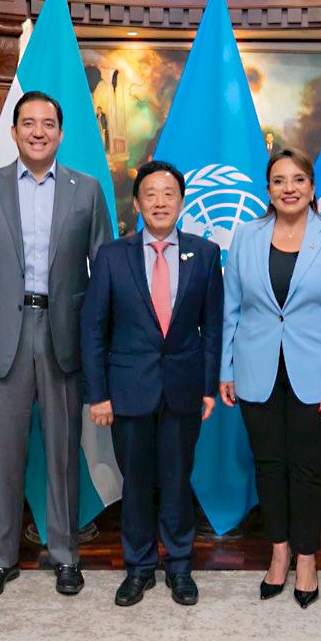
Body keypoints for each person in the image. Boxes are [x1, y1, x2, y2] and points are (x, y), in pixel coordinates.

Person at [0, 91, 112, 599]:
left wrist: (98, 345)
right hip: (3, 338)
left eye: (48, 123)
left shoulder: (86, 190)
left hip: (64, 334)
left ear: (61, 133)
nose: (38, 131)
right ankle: (0, 560)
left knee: (64, 453)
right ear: (15, 131)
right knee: (3, 452)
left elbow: (104, 275)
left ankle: (64, 555)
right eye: (28, 123)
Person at [220, 149, 321, 608]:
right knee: (268, 465)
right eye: (279, 181)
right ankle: (277, 553)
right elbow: (231, 309)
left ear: (313, 187)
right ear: (268, 190)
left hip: (316, 374)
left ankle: (306, 558)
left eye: (298, 179)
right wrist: (226, 369)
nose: (289, 188)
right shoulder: (246, 235)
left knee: (307, 468)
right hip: (255, 370)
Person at [81, 160, 223, 607]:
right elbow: (93, 329)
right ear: (137, 203)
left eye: (169, 194)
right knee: (136, 483)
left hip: (183, 389)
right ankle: (139, 567)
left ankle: (180, 567)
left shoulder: (204, 253)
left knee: (178, 481)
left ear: (181, 202)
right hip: (127, 391)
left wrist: (207, 385)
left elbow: (213, 326)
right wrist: (98, 394)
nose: (160, 201)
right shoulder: (111, 255)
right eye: (151, 194)